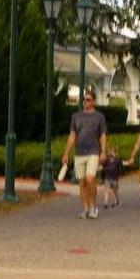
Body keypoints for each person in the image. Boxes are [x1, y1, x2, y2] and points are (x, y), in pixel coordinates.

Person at [60, 88, 109, 220]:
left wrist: (103, 151)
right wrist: (66, 153)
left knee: (90, 179)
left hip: (93, 151)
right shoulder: (76, 116)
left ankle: (93, 207)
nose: (86, 102)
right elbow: (72, 135)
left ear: (93, 101)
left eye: (88, 100)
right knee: (82, 182)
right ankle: (85, 208)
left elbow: (103, 135)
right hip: (79, 152)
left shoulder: (99, 117)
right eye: (84, 100)